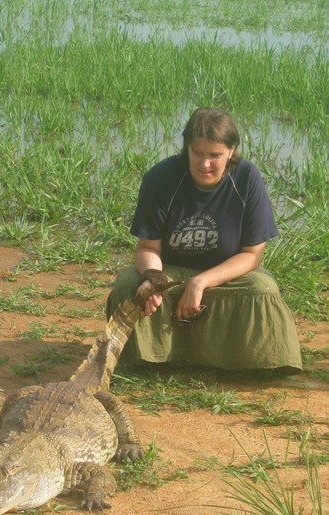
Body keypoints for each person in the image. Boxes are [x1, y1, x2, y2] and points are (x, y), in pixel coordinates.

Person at [107, 107, 302, 374]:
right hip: (171, 273)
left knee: (263, 291)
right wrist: (153, 278)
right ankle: (147, 359)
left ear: (231, 151)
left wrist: (201, 282)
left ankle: (251, 362)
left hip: (225, 276)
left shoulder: (247, 178)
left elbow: (252, 255)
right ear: (187, 147)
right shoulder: (160, 178)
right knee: (129, 286)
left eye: (215, 155)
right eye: (197, 153)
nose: (204, 164)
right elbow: (148, 247)